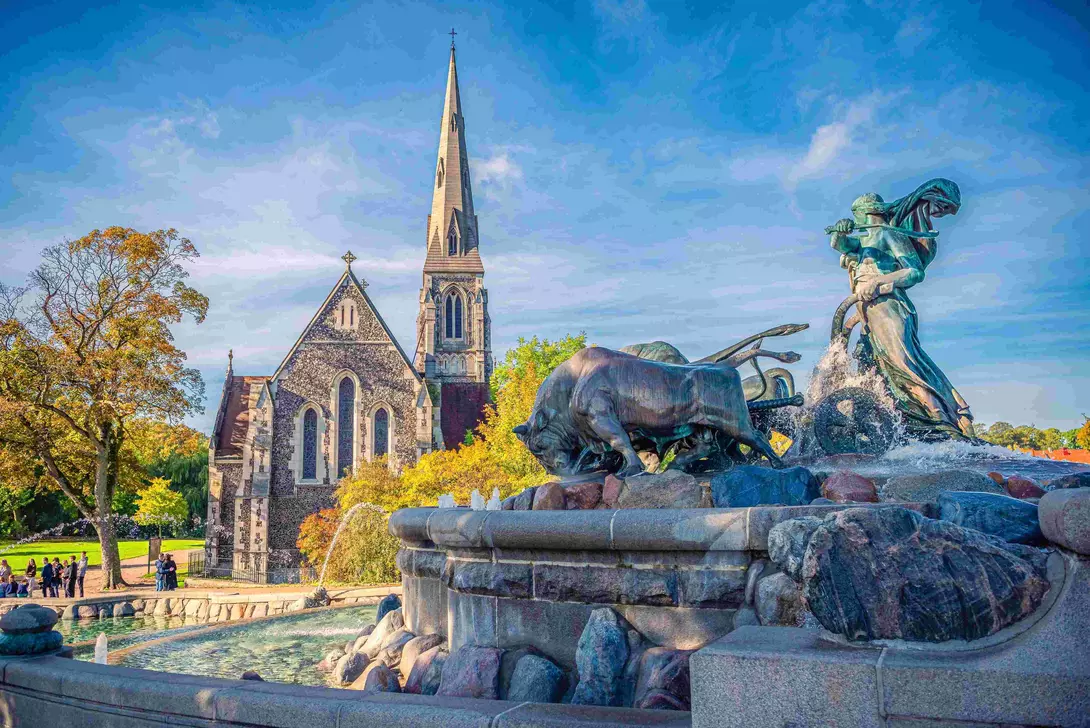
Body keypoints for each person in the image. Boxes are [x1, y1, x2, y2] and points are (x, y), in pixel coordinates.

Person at [828, 178, 974, 440]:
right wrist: (840, 232)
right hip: (868, 310)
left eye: (855, 214)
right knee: (874, 364)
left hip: (889, 307)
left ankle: (943, 420)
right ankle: (904, 425)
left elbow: (914, 272)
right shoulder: (865, 241)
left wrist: (879, 282)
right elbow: (840, 245)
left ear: (866, 213)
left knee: (903, 363)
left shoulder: (888, 234)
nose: (854, 218)